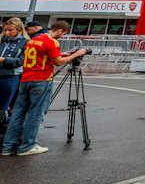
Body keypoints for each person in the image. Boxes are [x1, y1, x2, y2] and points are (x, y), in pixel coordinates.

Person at [2, 20, 87, 156]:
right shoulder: (51, 41)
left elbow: (42, 56)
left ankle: (8, 146)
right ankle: (27, 146)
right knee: (35, 113)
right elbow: (58, 62)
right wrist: (76, 54)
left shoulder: (33, 40)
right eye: (63, 34)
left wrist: (62, 54)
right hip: (41, 80)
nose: (61, 37)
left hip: (26, 79)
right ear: (59, 30)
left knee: (18, 113)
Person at [1, 18, 28, 125]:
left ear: (19, 29)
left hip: (10, 77)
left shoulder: (25, 42)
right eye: (5, 30)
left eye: (10, 30)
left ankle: (6, 125)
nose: (7, 33)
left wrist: (4, 60)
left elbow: (21, 61)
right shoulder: (2, 39)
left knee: (4, 105)